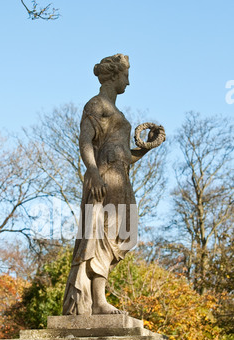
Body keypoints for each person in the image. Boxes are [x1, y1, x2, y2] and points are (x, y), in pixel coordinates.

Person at [62, 53, 161, 316]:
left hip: (121, 177)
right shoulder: (96, 105)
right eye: (126, 76)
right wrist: (93, 171)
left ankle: (98, 298)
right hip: (104, 176)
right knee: (100, 236)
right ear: (115, 76)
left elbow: (125, 156)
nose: (128, 83)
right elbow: (85, 142)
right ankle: (98, 301)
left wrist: (147, 147)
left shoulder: (117, 111)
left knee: (125, 235)